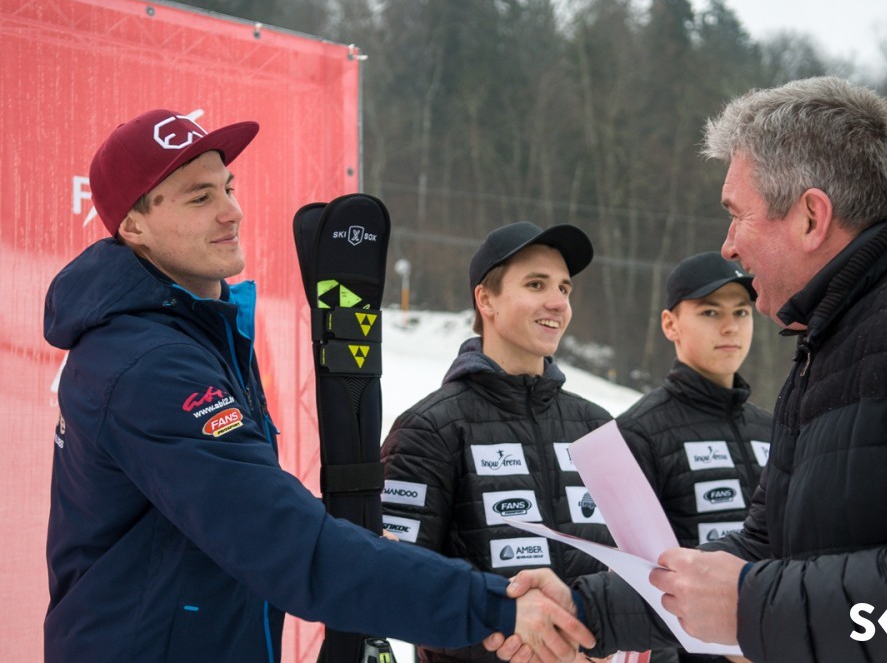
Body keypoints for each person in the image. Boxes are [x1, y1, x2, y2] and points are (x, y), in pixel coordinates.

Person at [43, 109, 594, 662]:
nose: (232, 211)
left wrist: (353, 539)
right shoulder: (151, 364)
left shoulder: (194, 334)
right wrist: (495, 606)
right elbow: (278, 539)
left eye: (228, 188)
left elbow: (227, 500)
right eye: (199, 198)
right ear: (134, 226)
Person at [497, 76, 887, 662]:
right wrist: (586, 610)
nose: (729, 246)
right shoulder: (832, 342)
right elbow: (765, 549)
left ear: (811, 217)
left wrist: (753, 606)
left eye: (738, 216)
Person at [380, 221, 616, 663]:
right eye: (536, 284)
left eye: (564, 288)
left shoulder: (597, 426)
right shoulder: (428, 428)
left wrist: (615, 642)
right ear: (485, 299)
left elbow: (637, 569)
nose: (557, 302)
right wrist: (505, 635)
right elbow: (397, 586)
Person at [616, 252, 771, 663]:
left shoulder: (776, 429)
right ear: (670, 324)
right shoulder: (636, 432)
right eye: (709, 312)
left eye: (741, 312)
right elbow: (633, 583)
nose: (730, 326)